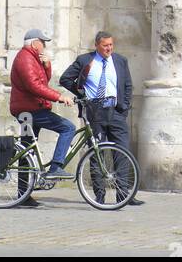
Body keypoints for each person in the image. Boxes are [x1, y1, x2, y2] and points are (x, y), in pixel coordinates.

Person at [60, 32, 143, 206]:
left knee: (122, 152)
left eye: (111, 45)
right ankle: (99, 195)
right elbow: (65, 79)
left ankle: (124, 195)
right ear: (97, 45)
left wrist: (124, 107)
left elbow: (127, 85)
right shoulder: (85, 60)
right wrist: (82, 94)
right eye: (105, 46)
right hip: (95, 111)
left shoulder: (120, 60)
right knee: (96, 153)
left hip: (116, 111)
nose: (109, 49)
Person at [9, 28, 76, 207]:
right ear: (34, 43)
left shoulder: (32, 58)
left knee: (26, 150)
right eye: (43, 42)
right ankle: (55, 168)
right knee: (68, 127)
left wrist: (47, 65)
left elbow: (42, 81)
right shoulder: (25, 58)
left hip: (29, 110)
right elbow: (34, 86)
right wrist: (59, 97)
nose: (45, 46)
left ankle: (23, 196)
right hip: (30, 112)